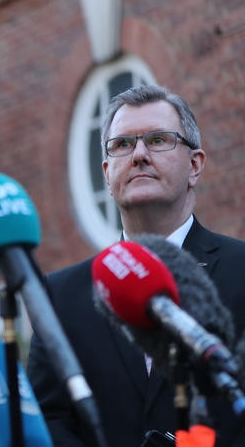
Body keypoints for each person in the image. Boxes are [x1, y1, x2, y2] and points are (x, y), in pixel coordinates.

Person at [26, 85, 245, 446]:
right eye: (123, 144)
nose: (139, 154)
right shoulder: (60, 295)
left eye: (158, 140)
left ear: (194, 165)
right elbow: (46, 420)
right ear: (107, 172)